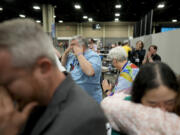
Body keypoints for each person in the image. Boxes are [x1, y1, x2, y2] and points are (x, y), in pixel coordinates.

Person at [0, 19, 107, 135]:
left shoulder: (86, 119)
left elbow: (90, 71)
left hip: (90, 95)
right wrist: (66, 53)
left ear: (44, 68)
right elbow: (62, 66)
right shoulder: (31, 102)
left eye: (7, 83)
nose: (4, 93)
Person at [101, 62, 179, 135]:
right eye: (153, 104)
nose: (162, 110)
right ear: (138, 97)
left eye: (169, 103)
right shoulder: (120, 119)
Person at [61, 36, 102, 103]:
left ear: (82, 46)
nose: (70, 47)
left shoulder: (94, 56)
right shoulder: (72, 56)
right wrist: (65, 53)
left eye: (73, 45)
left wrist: (79, 54)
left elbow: (89, 72)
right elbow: (62, 67)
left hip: (89, 100)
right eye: (70, 45)